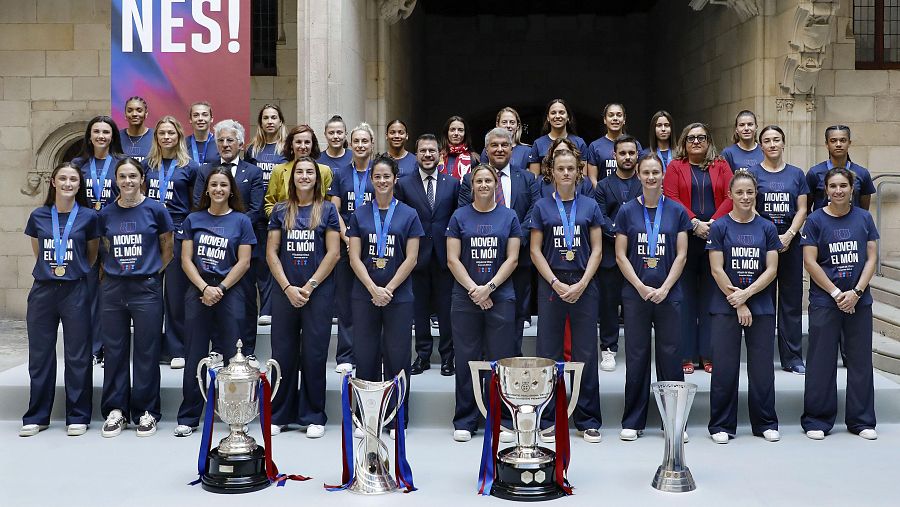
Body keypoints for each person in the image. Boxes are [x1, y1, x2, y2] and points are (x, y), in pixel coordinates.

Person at [529, 148, 603, 443]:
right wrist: (555, 282)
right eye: (561, 169)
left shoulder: (590, 205)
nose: (566, 174)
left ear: (579, 172)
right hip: (552, 282)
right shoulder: (541, 207)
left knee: (585, 353)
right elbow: (535, 249)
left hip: (584, 282)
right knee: (549, 353)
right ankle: (548, 417)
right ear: (552, 173)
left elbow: (597, 248)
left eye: (571, 168)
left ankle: (588, 419)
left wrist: (583, 282)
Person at [175, 167, 256, 437]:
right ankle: (188, 416)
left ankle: (232, 413)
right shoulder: (193, 219)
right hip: (198, 290)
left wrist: (219, 288)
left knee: (233, 358)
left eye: (224, 185)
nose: (219, 189)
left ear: (231, 190)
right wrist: (204, 287)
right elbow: (186, 260)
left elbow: (244, 262)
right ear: (206, 189)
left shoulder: (242, 221)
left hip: (230, 291)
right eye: (214, 185)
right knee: (194, 354)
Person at [614, 153, 690, 441]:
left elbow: (682, 254)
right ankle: (633, 420)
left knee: (670, 357)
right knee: (636, 356)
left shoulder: (677, 210)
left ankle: (673, 423)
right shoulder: (626, 212)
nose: (650, 177)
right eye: (645, 172)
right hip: (636, 294)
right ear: (638, 175)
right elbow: (620, 254)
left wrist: (665, 287)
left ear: (663, 175)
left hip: (669, 294)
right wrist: (640, 287)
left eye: (655, 172)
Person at [20, 162, 99, 437]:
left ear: (79, 185)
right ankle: (37, 415)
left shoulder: (89, 217)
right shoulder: (39, 216)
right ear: (53, 182)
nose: (68, 183)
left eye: (73, 180)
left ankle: (77, 415)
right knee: (40, 355)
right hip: (43, 289)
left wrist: (72, 270)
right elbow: (38, 252)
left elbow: (91, 255)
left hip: (75, 289)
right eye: (62, 178)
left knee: (77, 355)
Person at [801, 167, 879, 441]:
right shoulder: (814, 220)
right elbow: (810, 261)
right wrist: (836, 293)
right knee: (821, 361)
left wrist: (856, 291)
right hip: (826, 300)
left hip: (859, 300)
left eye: (843, 186)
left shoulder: (864, 218)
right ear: (825, 190)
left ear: (852, 188)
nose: (838, 191)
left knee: (859, 360)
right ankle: (817, 420)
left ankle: (861, 420)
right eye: (832, 186)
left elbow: (871, 258)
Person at [98, 158, 174, 438]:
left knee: (146, 351)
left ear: (142, 179)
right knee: (115, 350)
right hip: (114, 289)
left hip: (146, 288)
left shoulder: (156, 209)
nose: (127, 181)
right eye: (122, 176)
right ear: (115, 180)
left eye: (133, 176)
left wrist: (153, 272)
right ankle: (116, 410)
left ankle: (147, 411)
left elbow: (168, 247)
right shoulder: (105, 214)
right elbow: (101, 250)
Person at [446, 163, 521, 442]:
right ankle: (465, 419)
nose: (484, 185)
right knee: (466, 359)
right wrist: (475, 290)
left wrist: (488, 288)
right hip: (465, 298)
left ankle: (501, 417)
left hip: (500, 297)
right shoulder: (458, 216)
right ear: (472, 185)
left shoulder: (509, 216)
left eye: (489, 180)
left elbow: (512, 259)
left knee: (500, 360)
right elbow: (452, 259)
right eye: (479, 181)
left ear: (496, 185)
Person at [267, 156, 340, 438]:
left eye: (310, 172)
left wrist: (308, 286)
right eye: (300, 172)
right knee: (282, 354)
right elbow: (272, 252)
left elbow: (333, 253)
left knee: (314, 353)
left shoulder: (327, 210)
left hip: (317, 293)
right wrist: (287, 288)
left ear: (317, 178)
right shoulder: (281, 210)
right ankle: (280, 413)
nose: (305, 176)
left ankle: (313, 414)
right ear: (292, 177)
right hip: (285, 291)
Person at [707, 169, 781, 444]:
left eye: (750, 192)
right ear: (730, 195)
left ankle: (765, 423)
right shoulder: (719, 227)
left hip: (760, 305)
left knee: (762, 368)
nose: (745, 197)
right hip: (725, 306)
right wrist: (737, 301)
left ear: (756, 194)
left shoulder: (767, 228)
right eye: (739, 192)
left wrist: (746, 295)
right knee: (725, 368)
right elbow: (717, 269)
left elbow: (771, 268)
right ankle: (721, 425)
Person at [347, 154, 424, 419]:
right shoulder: (360, 214)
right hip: (364, 295)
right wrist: (372, 289)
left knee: (397, 357)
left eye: (386, 176)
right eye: (377, 176)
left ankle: (397, 416)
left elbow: (412, 257)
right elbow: (354, 256)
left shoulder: (409, 214)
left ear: (395, 179)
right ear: (371, 179)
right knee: (365, 357)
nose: (382, 181)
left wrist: (388, 289)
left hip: (398, 296)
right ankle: (366, 416)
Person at [460, 127, 540, 352]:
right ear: (486, 149)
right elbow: (464, 213)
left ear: (512, 149)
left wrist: (513, 237)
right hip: (481, 259)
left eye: (504, 145)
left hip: (519, 257)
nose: (499, 149)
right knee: (482, 306)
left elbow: (533, 211)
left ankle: (511, 357)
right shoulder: (470, 180)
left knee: (515, 312)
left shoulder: (527, 178)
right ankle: (486, 358)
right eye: (494, 145)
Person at [663, 122, 733, 374]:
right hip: (685, 237)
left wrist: (713, 223)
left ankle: (708, 353)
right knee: (685, 297)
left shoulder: (721, 165)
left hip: (715, 237)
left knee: (711, 297)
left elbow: (730, 195)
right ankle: (686, 355)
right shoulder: (675, 167)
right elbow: (670, 196)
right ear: (684, 141)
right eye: (691, 138)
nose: (696, 142)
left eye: (701, 137)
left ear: (708, 141)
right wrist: (694, 223)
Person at [193, 120, 264, 363]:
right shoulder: (205, 171)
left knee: (244, 300)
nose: (225, 144)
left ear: (240, 143)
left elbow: (256, 209)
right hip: (210, 250)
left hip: (242, 246)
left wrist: (232, 228)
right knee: (214, 298)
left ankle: (248, 348)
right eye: (221, 140)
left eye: (230, 140)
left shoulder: (252, 172)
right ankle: (218, 346)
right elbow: (198, 204)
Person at [395, 134, 460, 376]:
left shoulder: (452, 184)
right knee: (419, 310)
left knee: (446, 310)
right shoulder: (403, 184)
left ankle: (447, 358)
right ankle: (422, 356)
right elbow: (399, 218)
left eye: (432, 150)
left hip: (445, 257)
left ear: (440, 154)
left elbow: (457, 218)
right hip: (416, 256)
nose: (428, 155)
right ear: (417, 154)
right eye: (423, 151)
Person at [748, 125, 809, 374]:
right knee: (762, 301)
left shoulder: (796, 174)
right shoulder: (752, 173)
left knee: (791, 302)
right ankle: (760, 356)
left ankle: (792, 357)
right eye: (767, 141)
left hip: (790, 243)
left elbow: (802, 209)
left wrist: (788, 235)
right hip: (762, 245)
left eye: (776, 140)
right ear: (760, 145)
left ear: (783, 143)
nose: (772, 144)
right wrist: (771, 237)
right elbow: (748, 205)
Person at [144, 116, 200, 369]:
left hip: (177, 229)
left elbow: (195, 204)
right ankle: (153, 347)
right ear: (156, 137)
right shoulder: (147, 164)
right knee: (150, 292)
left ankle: (178, 348)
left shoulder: (190, 167)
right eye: (162, 133)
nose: (167, 137)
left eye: (171, 133)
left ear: (179, 136)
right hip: (150, 231)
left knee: (176, 295)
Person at [71, 115, 124, 365]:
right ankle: (94, 348)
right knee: (90, 291)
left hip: (115, 231)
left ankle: (111, 345)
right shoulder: (78, 163)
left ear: (113, 135)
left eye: (106, 131)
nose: (101, 136)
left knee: (111, 291)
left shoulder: (122, 163)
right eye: (97, 131)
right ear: (89, 136)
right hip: (86, 232)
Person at [328, 122, 377, 373]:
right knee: (346, 301)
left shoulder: (378, 172)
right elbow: (334, 209)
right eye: (356, 141)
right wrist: (346, 235)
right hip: (346, 242)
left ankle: (368, 353)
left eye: (364, 141)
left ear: (371, 144)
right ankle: (345, 355)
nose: (360, 145)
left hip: (373, 245)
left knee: (369, 298)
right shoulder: (341, 174)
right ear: (351, 143)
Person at [593, 135, 643, 372]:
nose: (627, 157)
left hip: (638, 255)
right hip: (611, 255)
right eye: (622, 153)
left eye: (631, 153)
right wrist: (620, 232)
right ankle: (608, 349)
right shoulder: (602, 185)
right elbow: (600, 216)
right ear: (614, 156)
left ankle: (637, 348)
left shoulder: (644, 183)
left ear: (637, 156)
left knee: (634, 304)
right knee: (609, 305)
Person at [245, 104, 288, 326]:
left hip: (281, 215)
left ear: (280, 121)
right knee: (261, 263)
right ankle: (262, 309)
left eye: (274, 117)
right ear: (260, 122)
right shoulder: (252, 149)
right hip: (257, 215)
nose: (270, 121)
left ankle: (272, 310)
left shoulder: (286, 149)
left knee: (279, 262)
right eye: (265, 118)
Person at [265, 124, 333, 217]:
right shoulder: (278, 170)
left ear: (312, 145)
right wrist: (281, 221)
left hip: (316, 226)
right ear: (291, 145)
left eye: (307, 142)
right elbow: (270, 204)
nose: (303, 146)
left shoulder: (324, 171)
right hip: (285, 225)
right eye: (298, 142)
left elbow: (330, 204)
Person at [807, 125, 876, 211]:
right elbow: (807, 208)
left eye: (843, 140)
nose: (838, 144)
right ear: (827, 144)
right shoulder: (814, 173)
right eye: (833, 141)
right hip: (822, 224)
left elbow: (864, 210)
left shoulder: (862, 173)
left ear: (849, 143)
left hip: (852, 223)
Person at [528, 98, 589, 178]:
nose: (557, 116)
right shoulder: (538, 144)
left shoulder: (579, 143)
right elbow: (534, 178)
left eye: (561, 112)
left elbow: (583, 177)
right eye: (553, 113)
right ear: (548, 118)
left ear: (568, 117)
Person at [586, 102, 643, 185]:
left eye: (619, 115)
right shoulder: (595, 146)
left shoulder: (634, 144)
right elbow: (592, 179)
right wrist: (601, 194)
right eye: (611, 115)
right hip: (604, 195)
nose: (615, 118)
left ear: (624, 119)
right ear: (605, 119)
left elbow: (639, 175)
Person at [479, 106, 532, 173]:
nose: (508, 125)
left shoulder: (527, 151)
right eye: (504, 122)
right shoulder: (488, 149)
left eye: (512, 122)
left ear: (518, 126)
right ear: (497, 125)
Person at [439, 115, 480, 180]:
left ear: (465, 134)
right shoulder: (437, 156)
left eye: (460, 130)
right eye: (452, 130)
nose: (456, 133)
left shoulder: (474, 158)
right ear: (447, 133)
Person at [120, 96, 154, 161]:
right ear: (125, 115)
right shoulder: (117, 137)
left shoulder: (155, 136)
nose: (134, 114)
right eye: (130, 111)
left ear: (146, 114)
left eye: (139, 111)